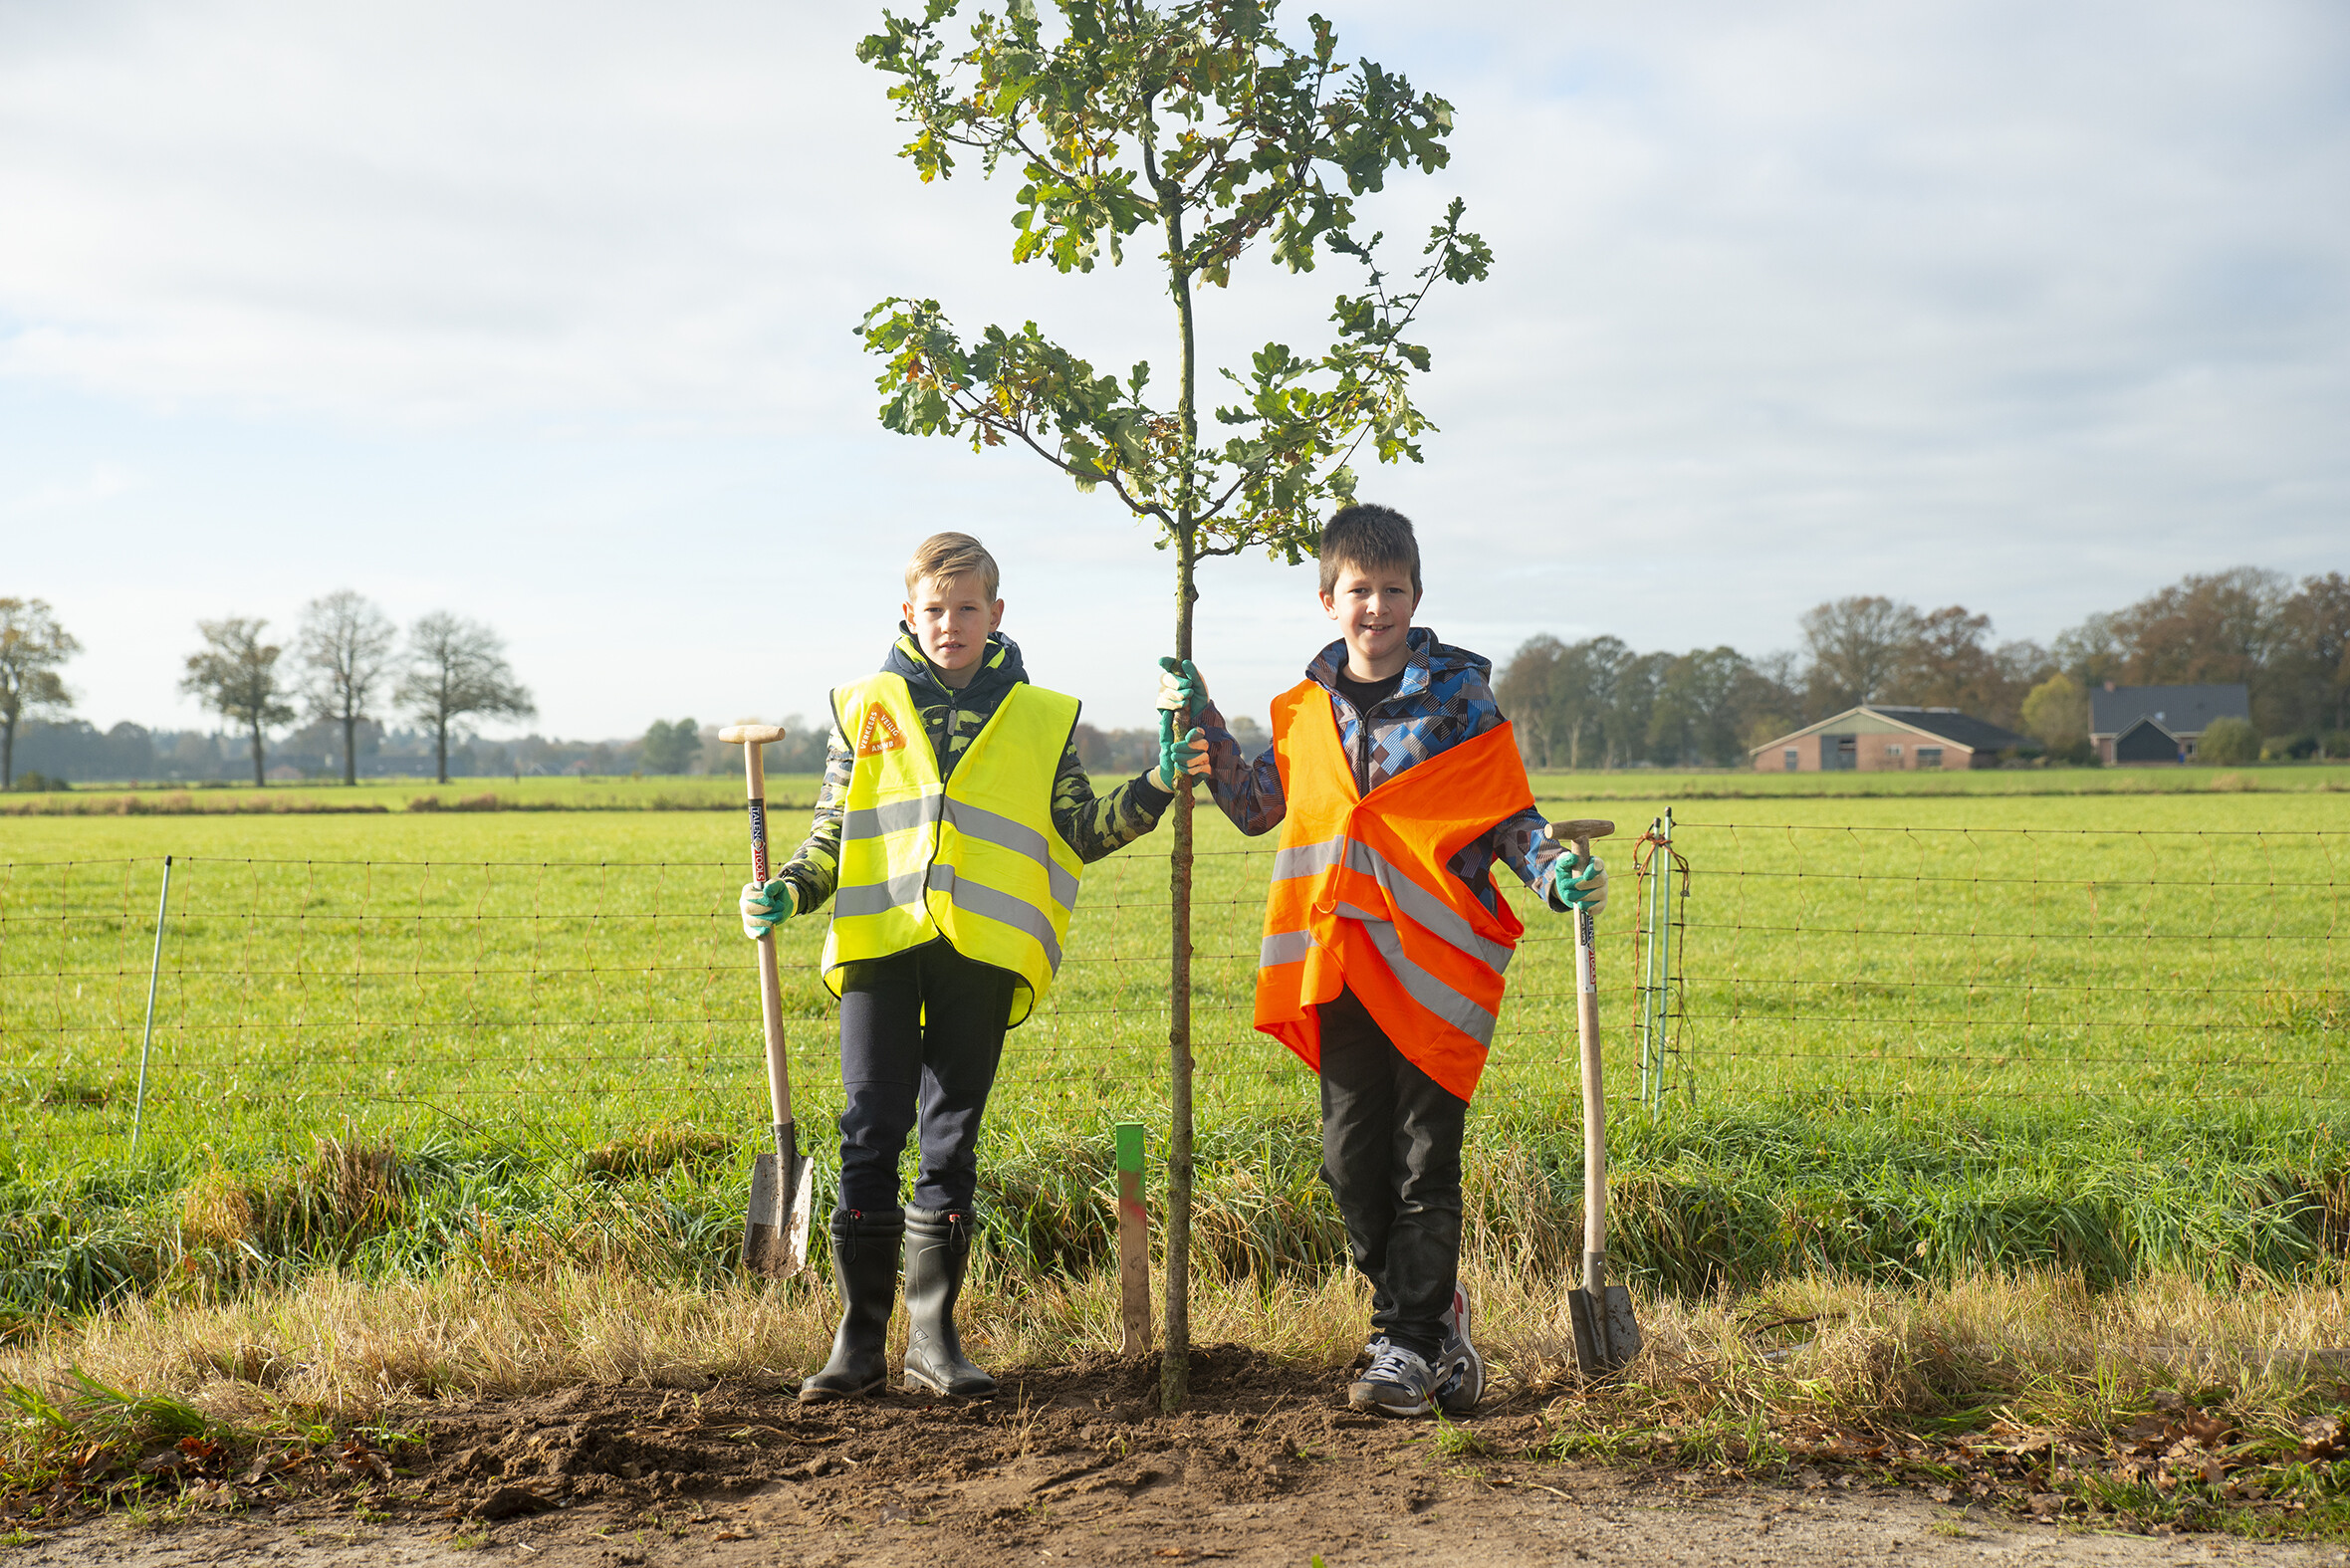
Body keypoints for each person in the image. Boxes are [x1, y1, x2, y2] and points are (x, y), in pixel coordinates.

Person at [1156, 502, 1607, 1419]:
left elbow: (1504, 812)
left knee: (1423, 1162)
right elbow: (1253, 807)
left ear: (1415, 595)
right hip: (1340, 963)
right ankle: (1435, 1311)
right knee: (1349, 1164)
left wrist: (1552, 872)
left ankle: (1403, 1341)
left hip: (1436, 962)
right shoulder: (1303, 710)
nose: (1376, 607)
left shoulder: (1460, 699)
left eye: (1392, 590)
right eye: (1358, 590)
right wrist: (1197, 713)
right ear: (1330, 599)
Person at [741, 532, 1201, 1403]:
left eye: (967, 608)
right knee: (868, 1132)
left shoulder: (1041, 716)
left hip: (982, 954)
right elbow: (832, 834)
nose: (950, 624)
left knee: (950, 1143)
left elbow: (1082, 828)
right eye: (934, 608)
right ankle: (857, 1339)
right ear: (908, 613)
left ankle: (932, 1338)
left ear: (996, 614)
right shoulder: (864, 706)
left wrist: (1157, 781)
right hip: (882, 946)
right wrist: (788, 892)